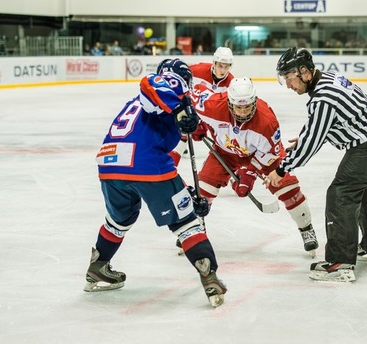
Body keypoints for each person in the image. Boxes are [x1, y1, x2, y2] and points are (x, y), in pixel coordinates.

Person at [83, 58, 227, 307]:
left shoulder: (142, 105)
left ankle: (97, 266)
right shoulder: (173, 86)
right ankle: (209, 275)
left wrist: (189, 193)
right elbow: (151, 82)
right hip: (145, 164)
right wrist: (182, 110)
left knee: (120, 219)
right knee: (186, 222)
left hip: (110, 164)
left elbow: (165, 165)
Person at [267, 47, 367, 283]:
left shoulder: (323, 97)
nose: (288, 85)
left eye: (289, 78)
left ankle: (340, 263)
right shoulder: (328, 79)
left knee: (341, 193)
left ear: (304, 72)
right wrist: (307, 138)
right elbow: (329, 122)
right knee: (365, 188)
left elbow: (313, 141)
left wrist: (281, 169)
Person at [187, 78, 319, 256]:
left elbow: (270, 153)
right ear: (229, 102)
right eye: (238, 107)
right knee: (203, 189)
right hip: (225, 152)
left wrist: (248, 172)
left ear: (254, 101)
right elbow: (191, 94)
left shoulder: (267, 122)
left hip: (262, 155)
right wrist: (197, 121)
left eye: (247, 106)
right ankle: (194, 232)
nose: (242, 112)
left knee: (288, 188)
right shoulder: (212, 105)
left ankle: (306, 229)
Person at [169, 47, 235, 166]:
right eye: (220, 66)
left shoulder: (231, 83)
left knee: (224, 139)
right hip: (190, 106)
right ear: (214, 63)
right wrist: (194, 115)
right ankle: (170, 163)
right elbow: (180, 86)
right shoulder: (197, 71)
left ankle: (222, 164)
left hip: (212, 114)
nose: (223, 70)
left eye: (227, 66)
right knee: (184, 128)